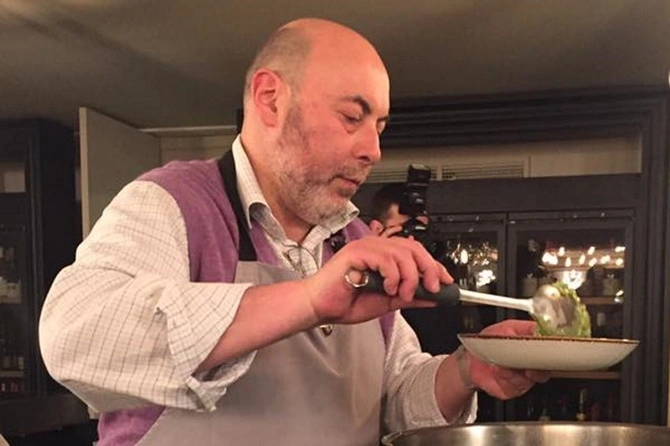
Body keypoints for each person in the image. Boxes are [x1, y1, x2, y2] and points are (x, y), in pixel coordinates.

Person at [38, 18, 548, 446]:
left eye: (379, 127)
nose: (373, 151)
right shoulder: (174, 203)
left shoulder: (353, 241)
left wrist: (466, 369)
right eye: (352, 117)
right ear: (270, 99)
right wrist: (307, 300)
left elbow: (393, 398)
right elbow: (76, 338)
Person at [367, 182, 463, 355]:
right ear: (377, 230)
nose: (415, 242)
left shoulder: (441, 278)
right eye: (407, 230)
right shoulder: (362, 281)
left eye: (421, 233)